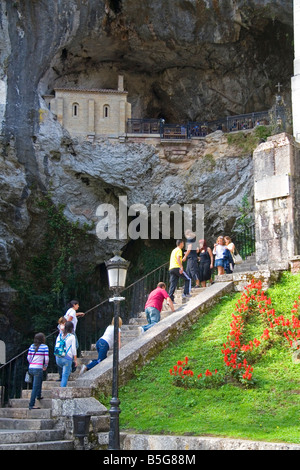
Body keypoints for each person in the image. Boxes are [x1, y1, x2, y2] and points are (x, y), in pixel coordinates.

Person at [27, 333, 49, 410]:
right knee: (35, 387)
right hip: (38, 367)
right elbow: (46, 358)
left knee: (38, 381)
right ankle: (31, 404)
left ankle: (39, 395)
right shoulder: (44, 347)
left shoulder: (31, 346)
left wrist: (31, 363)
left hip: (31, 367)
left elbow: (28, 357)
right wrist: (45, 366)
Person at [55, 321, 77, 387]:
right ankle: (62, 390)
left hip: (58, 358)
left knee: (66, 370)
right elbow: (73, 349)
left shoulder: (59, 336)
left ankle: (69, 369)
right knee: (65, 375)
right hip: (67, 358)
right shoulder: (72, 336)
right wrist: (75, 359)